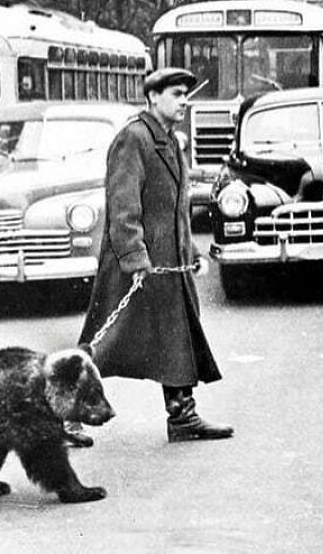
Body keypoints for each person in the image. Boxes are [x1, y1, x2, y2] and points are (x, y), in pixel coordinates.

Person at [65, 67, 233, 446]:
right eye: (176, 94)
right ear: (153, 97)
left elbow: (174, 210)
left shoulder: (169, 141)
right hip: (137, 265)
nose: (184, 101)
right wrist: (135, 260)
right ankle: (59, 413)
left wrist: (188, 251)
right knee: (106, 342)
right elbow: (123, 207)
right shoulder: (133, 138)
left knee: (179, 337)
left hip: (168, 265)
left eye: (185, 95)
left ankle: (183, 417)